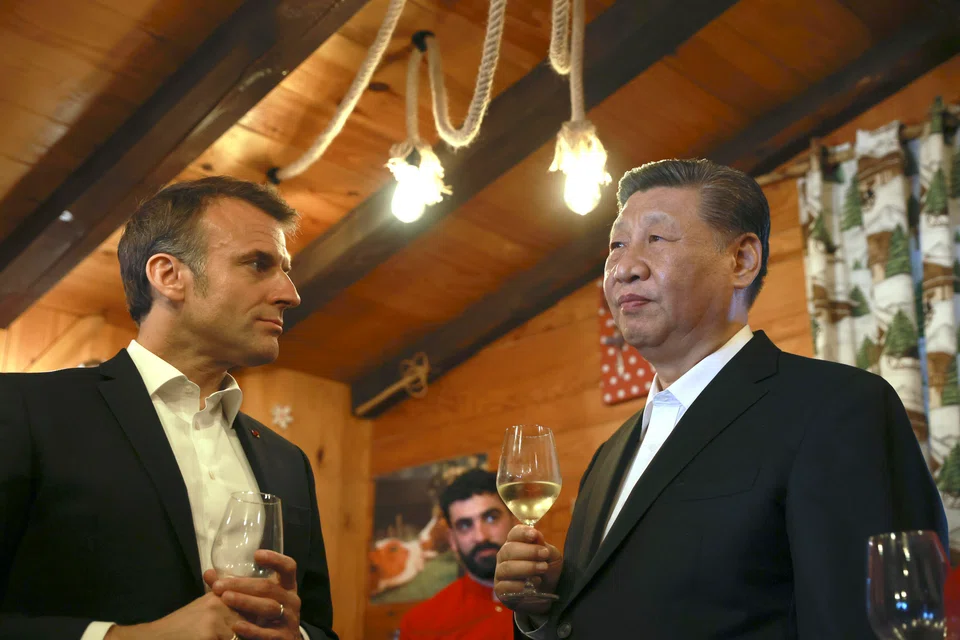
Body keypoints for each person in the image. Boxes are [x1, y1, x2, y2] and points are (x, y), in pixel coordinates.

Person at [494, 158, 948, 639]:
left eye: (657, 238)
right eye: (617, 245)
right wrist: (545, 606)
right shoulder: (609, 455)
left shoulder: (839, 408)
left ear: (741, 261)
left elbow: (873, 625)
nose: (624, 267)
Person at [0, 176, 337, 640]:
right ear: (167, 276)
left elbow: (319, 625)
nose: (290, 294)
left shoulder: (289, 462)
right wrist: (123, 638)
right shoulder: (23, 411)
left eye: (285, 269)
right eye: (258, 264)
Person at [398, 468, 515, 639]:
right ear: (452, 540)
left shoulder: (557, 602)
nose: (481, 537)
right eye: (465, 525)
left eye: (491, 518)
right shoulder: (420, 625)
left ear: (515, 520)